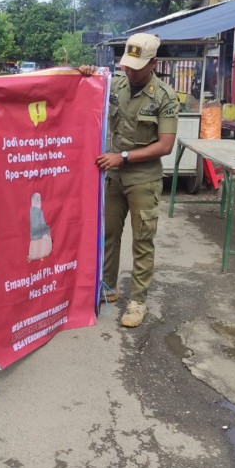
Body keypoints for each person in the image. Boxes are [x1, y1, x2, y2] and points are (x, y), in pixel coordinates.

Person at [79, 33, 179, 327]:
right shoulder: (116, 85)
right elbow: (84, 92)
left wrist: (121, 157)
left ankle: (138, 301)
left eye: (137, 67)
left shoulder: (164, 96)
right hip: (113, 175)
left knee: (142, 240)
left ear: (154, 63)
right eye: (127, 65)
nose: (130, 71)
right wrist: (83, 75)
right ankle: (108, 288)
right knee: (108, 236)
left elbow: (165, 146)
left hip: (143, 179)